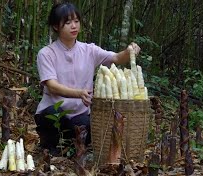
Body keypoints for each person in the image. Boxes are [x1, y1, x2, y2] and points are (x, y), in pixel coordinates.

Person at [34, 2, 141, 155]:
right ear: (56, 26)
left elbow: (116, 58)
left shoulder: (89, 50)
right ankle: (50, 146)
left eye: (76, 21)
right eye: (68, 22)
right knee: (52, 115)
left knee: (90, 127)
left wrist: (129, 51)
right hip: (54, 112)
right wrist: (78, 93)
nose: (74, 26)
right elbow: (52, 85)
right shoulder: (46, 53)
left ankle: (72, 146)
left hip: (79, 115)